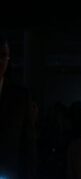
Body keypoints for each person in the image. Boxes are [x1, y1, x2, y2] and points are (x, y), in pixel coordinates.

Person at [0, 35, 37, 179]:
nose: (0, 61)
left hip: (9, 171)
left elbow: (28, 142)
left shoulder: (20, 95)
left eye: (3, 56)